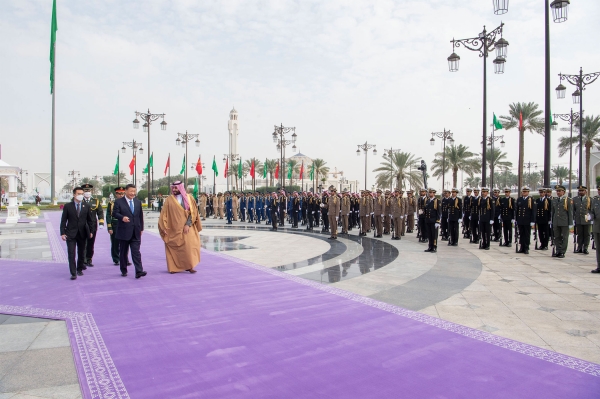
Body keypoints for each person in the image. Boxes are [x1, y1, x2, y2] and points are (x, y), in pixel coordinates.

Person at [158, 181, 202, 274]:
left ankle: (190, 266)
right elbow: (164, 214)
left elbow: (193, 212)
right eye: (173, 188)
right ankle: (173, 267)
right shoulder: (169, 200)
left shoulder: (189, 198)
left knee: (189, 246)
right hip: (173, 228)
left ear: (181, 188)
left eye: (176, 188)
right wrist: (164, 227)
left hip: (187, 227)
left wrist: (188, 224)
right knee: (173, 248)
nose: (174, 190)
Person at [60, 187, 95, 280]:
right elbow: (63, 220)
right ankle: (73, 272)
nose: (80, 195)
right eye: (78, 193)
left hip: (82, 233)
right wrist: (62, 233)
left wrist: (91, 231)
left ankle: (79, 269)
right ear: (74, 195)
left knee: (81, 252)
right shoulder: (68, 206)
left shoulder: (86, 206)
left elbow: (90, 220)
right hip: (70, 233)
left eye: (82, 194)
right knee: (71, 253)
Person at [113, 184, 147, 279]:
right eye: (131, 191)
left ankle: (139, 271)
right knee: (123, 252)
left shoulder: (137, 202)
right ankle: (123, 269)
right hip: (124, 231)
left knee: (136, 252)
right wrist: (122, 217)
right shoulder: (118, 202)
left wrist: (141, 229)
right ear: (126, 191)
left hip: (136, 231)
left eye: (134, 191)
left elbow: (140, 216)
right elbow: (115, 213)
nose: (133, 193)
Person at [81, 183, 104, 267]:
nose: (87, 192)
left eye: (89, 190)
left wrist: (101, 223)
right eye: (85, 190)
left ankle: (89, 259)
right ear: (82, 191)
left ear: (91, 191)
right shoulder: (79, 200)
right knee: (82, 242)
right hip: (82, 225)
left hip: (92, 225)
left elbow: (100, 213)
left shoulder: (95, 201)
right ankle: (82, 260)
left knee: (91, 243)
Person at [106, 187, 129, 265]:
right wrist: (109, 227)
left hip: (125, 225)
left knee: (125, 243)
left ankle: (125, 258)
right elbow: (108, 215)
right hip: (115, 225)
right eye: (119, 194)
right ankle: (116, 258)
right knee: (115, 243)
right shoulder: (111, 203)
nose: (121, 195)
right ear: (116, 194)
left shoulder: (127, 202)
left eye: (122, 193)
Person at [551, 185, 573, 259]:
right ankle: (558, 250)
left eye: (559, 191)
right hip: (556, 221)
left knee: (565, 237)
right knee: (557, 237)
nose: (558, 192)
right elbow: (553, 212)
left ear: (563, 192)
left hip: (564, 221)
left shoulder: (568, 200)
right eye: (557, 191)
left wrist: (570, 223)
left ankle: (562, 252)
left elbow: (570, 212)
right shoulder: (554, 200)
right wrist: (552, 221)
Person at [516, 186, 536, 254]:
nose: (524, 193)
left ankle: (526, 248)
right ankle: (522, 247)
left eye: (525, 191)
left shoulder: (531, 200)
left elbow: (533, 211)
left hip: (527, 220)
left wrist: (532, 221)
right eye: (523, 191)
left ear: (528, 192)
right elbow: (517, 210)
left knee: (527, 234)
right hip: (520, 219)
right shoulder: (519, 199)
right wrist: (516, 219)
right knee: (521, 234)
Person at [573, 185, 592, 254]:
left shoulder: (589, 199)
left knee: (587, 234)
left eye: (582, 191)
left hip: (587, 218)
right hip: (578, 219)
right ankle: (579, 247)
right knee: (580, 234)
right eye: (580, 191)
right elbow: (573, 210)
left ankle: (585, 248)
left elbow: (591, 210)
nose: (581, 192)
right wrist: (573, 219)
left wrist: (590, 217)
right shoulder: (575, 199)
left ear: (585, 191)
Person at [424, 188, 440, 253]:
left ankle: (434, 247)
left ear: (434, 193)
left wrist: (437, 221)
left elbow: (438, 212)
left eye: (431, 193)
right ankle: (430, 247)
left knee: (434, 235)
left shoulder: (437, 201)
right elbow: (425, 210)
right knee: (429, 234)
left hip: (434, 221)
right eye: (429, 193)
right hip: (428, 220)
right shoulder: (427, 201)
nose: (430, 194)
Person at [589, 185, 600, 273]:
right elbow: (592, 211)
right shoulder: (595, 199)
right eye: (599, 190)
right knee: (598, 248)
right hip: (597, 227)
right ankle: (599, 266)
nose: (599, 191)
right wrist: (590, 216)